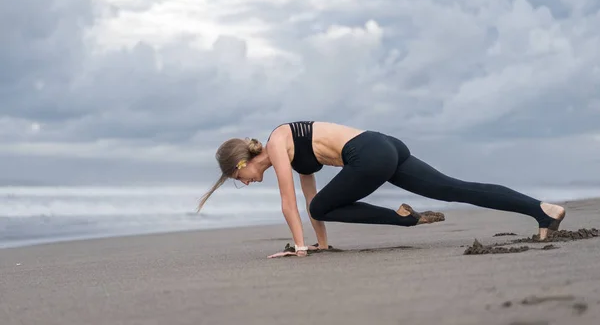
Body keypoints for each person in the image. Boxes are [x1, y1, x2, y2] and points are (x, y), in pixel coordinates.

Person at [197, 121, 566, 258]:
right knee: (454, 189)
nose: (244, 184)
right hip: (384, 145)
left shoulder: (279, 143)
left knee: (323, 206)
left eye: (237, 179)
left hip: (370, 154)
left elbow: (289, 204)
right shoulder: (291, 152)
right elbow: (312, 201)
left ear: (241, 165)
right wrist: (319, 244)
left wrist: (298, 248)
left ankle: (404, 220)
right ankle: (542, 210)